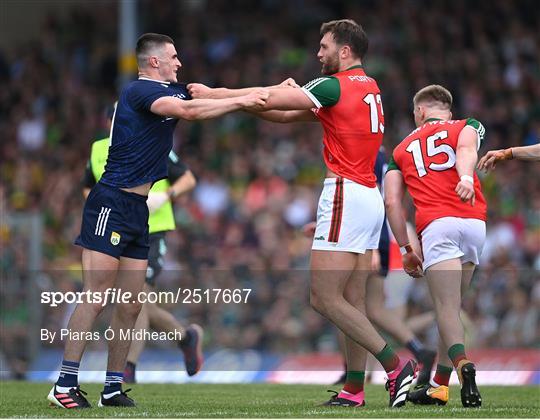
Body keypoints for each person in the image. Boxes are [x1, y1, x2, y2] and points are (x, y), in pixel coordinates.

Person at [189, 19, 416, 408]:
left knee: (324, 297)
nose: (318, 53)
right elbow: (279, 113)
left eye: (324, 46)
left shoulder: (333, 85)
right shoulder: (369, 87)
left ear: (345, 51)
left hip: (344, 190)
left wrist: (217, 93)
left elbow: (267, 100)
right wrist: (272, 97)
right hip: (368, 196)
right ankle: (355, 390)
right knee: (352, 300)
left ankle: (396, 367)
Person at [47, 32, 268, 409]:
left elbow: (207, 95)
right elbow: (191, 111)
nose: (179, 63)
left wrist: (269, 89)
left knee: (132, 304)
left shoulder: (169, 91)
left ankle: (112, 387)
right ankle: (64, 384)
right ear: (154, 62)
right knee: (96, 296)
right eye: (174, 57)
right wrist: (244, 101)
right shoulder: (138, 91)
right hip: (111, 203)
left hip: (137, 210)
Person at [81, 104, 202, 384]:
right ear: (110, 121)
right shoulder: (99, 149)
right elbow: (88, 184)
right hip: (116, 228)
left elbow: (188, 178)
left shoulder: (153, 142)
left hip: (152, 228)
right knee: (131, 299)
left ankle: (127, 369)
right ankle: (185, 336)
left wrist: (167, 195)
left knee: (139, 296)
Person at [384, 84, 486, 408]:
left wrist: (405, 248)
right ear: (448, 111)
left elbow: (391, 203)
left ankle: (463, 367)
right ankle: (438, 386)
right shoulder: (466, 125)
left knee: (444, 309)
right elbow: (469, 149)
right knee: (451, 311)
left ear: (420, 111)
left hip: (437, 226)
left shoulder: (400, 150)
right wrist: (466, 179)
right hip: (474, 222)